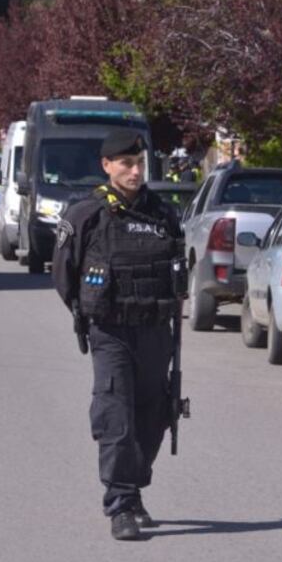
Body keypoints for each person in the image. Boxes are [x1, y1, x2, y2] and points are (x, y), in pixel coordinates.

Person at [52, 130, 184, 541]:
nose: (135, 171)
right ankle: (120, 503)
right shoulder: (85, 215)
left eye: (140, 163)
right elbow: (63, 276)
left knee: (154, 415)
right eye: (125, 164)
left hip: (155, 330)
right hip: (111, 331)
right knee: (117, 417)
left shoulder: (163, 214)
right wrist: (89, 314)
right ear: (106, 166)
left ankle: (134, 486)